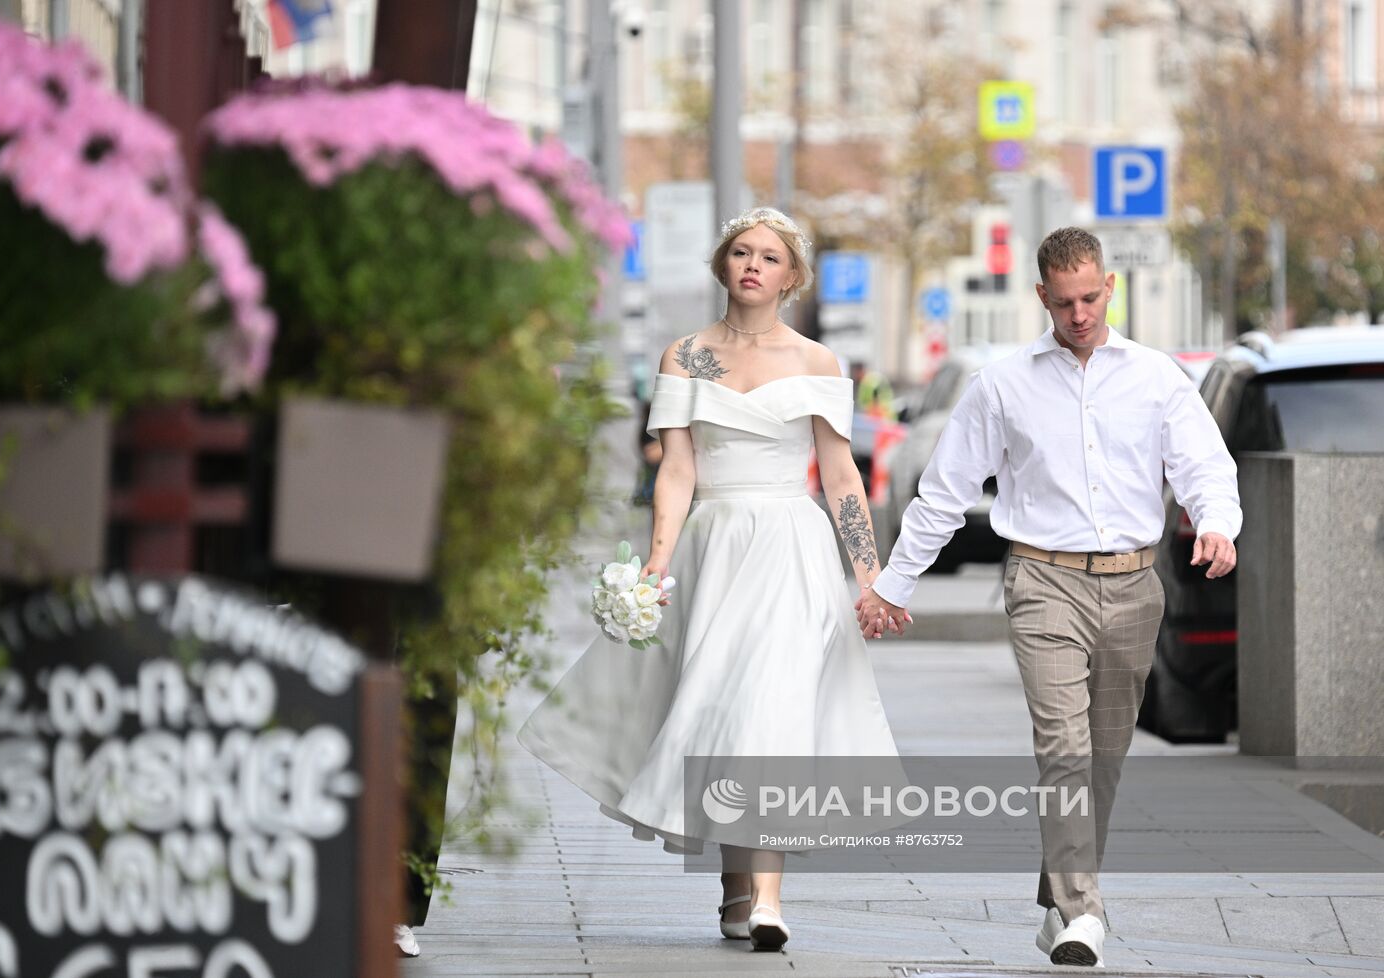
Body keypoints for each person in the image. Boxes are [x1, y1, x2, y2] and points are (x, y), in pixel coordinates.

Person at [518, 207, 907, 951]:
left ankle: (767, 897)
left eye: (769, 256)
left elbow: (840, 475)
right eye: (740, 252)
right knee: (726, 705)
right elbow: (678, 471)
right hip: (715, 546)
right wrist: (657, 565)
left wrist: (870, 575)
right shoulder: (686, 357)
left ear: (793, 278)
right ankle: (737, 888)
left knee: (772, 703)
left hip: (793, 546)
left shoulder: (817, 363)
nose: (753, 264)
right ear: (721, 264)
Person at [855, 226, 1241, 968]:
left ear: (1110, 288)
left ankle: (1056, 894)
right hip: (1042, 581)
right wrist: (892, 585)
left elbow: (1204, 465)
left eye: (1090, 297)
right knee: (1062, 748)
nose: (1080, 314)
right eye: (1064, 302)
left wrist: (1218, 525)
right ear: (1041, 297)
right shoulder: (1002, 384)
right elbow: (943, 491)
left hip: (1134, 584)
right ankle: (1082, 912)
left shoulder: (1157, 378)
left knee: (1103, 757)